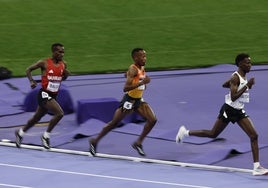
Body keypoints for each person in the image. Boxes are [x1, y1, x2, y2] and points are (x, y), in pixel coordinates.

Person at [176, 53, 268, 176]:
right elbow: (233, 97)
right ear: (240, 64)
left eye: (250, 62)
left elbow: (224, 85)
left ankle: (257, 167)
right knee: (213, 134)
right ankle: (185, 133)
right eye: (247, 62)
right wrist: (246, 86)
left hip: (239, 111)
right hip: (229, 109)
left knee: (254, 135)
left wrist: (234, 84)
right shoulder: (237, 77)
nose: (249, 65)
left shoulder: (240, 76)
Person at [89, 48, 157, 157]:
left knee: (152, 120)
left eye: (145, 56)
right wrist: (141, 83)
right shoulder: (133, 69)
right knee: (114, 123)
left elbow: (134, 77)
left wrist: (139, 82)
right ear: (135, 58)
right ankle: (94, 141)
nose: (145, 58)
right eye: (142, 56)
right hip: (129, 100)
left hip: (138, 100)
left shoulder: (141, 67)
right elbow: (125, 88)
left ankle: (138, 143)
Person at [15, 43, 70, 149]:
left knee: (36, 118)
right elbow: (28, 69)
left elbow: (60, 79)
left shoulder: (64, 64)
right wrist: (31, 81)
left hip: (53, 95)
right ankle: (45, 136)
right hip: (44, 94)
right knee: (59, 113)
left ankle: (20, 133)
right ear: (53, 52)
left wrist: (65, 76)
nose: (62, 54)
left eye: (63, 52)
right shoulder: (44, 63)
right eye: (59, 52)